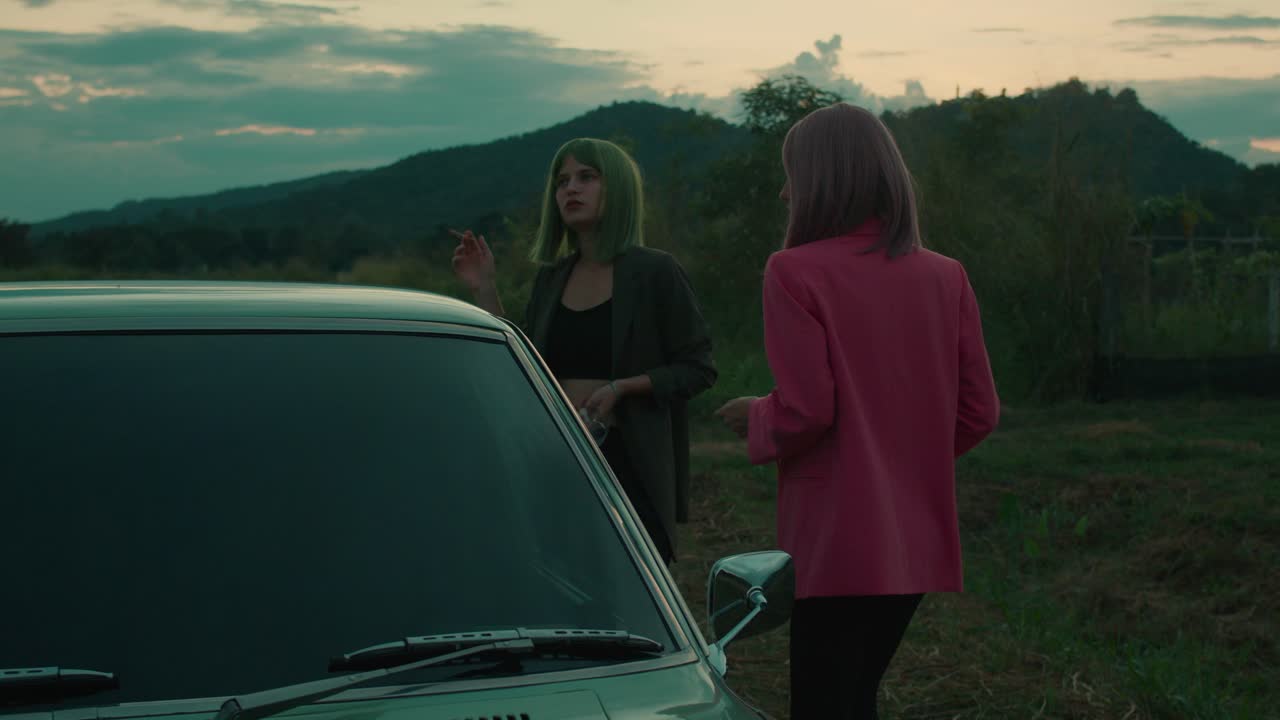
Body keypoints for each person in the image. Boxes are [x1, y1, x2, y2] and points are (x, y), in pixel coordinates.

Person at [715, 103, 1000, 719]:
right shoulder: (946, 276)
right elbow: (979, 413)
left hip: (836, 540)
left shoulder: (793, 272)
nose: (785, 192)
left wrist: (755, 415)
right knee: (856, 695)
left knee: (824, 703)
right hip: (916, 542)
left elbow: (806, 410)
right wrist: (903, 457)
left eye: (792, 174)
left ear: (823, 180)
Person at [450, 137, 716, 565]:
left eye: (586, 177)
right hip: (558, 460)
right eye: (562, 182)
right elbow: (526, 365)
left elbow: (697, 367)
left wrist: (622, 388)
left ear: (619, 188)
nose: (570, 189)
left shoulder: (655, 272)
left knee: (626, 587)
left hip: (629, 466)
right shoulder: (553, 277)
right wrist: (484, 287)